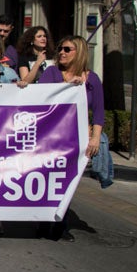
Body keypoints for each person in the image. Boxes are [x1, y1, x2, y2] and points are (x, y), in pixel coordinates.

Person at [40, 35, 112, 193]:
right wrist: (68, 86)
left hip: (78, 139)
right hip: (52, 138)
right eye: (60, 49)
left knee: (68, 184)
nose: (61, 53)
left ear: (79, 53)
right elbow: (41, 98)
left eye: (67, 49)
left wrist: (95, 138)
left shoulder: (92, 79)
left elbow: (99, 111)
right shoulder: (51, 73)